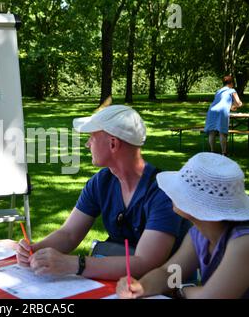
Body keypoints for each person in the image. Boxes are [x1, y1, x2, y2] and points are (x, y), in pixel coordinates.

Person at [16, 105, 189, 280]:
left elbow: (145, 263)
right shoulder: (101, 182)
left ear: (113, 143)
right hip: (119, 284)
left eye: (92, 137)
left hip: (160, 289)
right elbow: (68, 234)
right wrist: (35, 250)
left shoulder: (163, 192)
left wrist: (74, 264)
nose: (87, 144)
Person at [116, 152, 249, 299]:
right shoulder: (199, 234)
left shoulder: (243, 242)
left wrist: (179, 291)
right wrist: (141, 287)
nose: (171, 193)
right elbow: (169, 272)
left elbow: (210, 296)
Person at [204, 75, 243, 156]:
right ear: (231, 83)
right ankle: (224, 153)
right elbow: (239, 103)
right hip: (222, 112)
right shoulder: (232, 90)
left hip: (212, 110)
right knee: (222, 132)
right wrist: (236, 106)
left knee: (212, 132)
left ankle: (212, 151)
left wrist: (231, 107)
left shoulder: (219, 91)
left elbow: (221, 102)